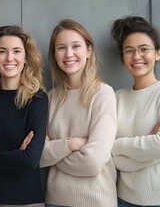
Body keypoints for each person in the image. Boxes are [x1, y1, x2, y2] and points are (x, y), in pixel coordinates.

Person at [111, 16, 160, 207]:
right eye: (129, 51)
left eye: (144, 49)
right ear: (123, 57)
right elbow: (109, 157)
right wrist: (150, 144)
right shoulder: (117, 97)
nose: (137, 56)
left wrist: (117, 145)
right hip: (126, 200)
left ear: (157, 53)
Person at [40, 19, 117, 207]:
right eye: (61, 48)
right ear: (54, 55)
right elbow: (38, 156)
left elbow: (92, 163)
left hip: (97, 202)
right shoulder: (50, 98)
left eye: (76, 46)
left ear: (88, 50)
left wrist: (55, 152)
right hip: (55, 201)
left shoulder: (103, 94)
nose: (69, 54)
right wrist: (72, 144)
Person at [0, 25, 48, 207]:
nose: (10, 58)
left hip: (27, 200)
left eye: (16, 51)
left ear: (25, 58)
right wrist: (16, 155)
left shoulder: (37, 98)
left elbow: (30, 161)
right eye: (2, 51)